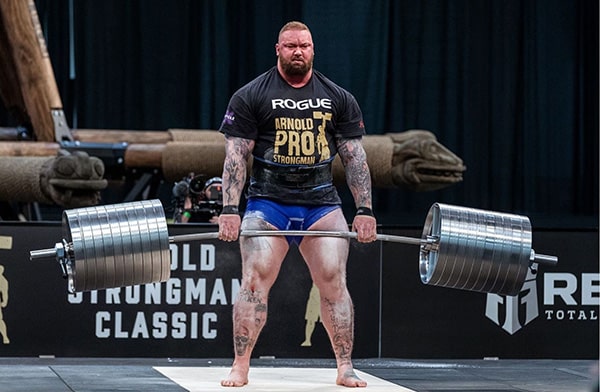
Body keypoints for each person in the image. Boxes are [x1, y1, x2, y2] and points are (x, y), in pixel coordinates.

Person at [217, 21, 377, 388]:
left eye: (304, 45)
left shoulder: (338, 97)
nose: (297, 52)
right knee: (254, 281)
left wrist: (365, 211)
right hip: (267, 203)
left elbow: (354, 159)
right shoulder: (250, 95)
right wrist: (230, 208)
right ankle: (240, 365)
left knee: (334, 282)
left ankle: (345, 367)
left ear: (313, 49)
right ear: (278, 49)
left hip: (321, 204)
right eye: (290, 46)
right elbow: (235, 157)